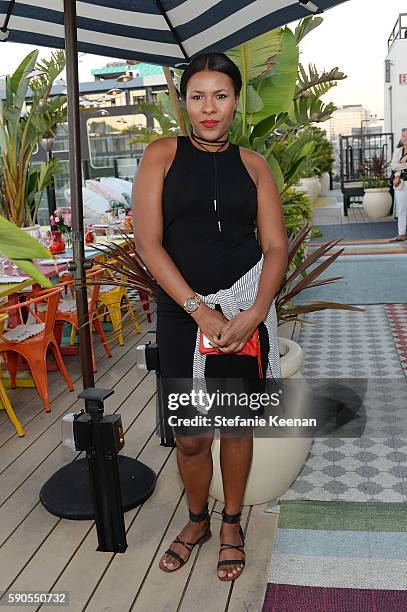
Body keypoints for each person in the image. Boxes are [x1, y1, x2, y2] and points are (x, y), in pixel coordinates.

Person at [132, 52, 288, 581]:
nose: (208, 108)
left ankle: (230, 522)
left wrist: (256, 311)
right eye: (197, 96)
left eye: (220, 96)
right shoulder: (160, 156)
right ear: (184, 103)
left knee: (236, 427)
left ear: (236, 102)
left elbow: (276, 247)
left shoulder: (254, 165)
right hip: (183, 317)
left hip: (244, 317)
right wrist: (198, 309)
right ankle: (196, 518)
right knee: (192, 435)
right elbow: (148, 244)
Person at [389, 128, 407, 242]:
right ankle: (401, 234)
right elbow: (393, 166)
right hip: (401, 182)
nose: (405, 139)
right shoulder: (398, 151)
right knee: (401, 209)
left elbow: (397, 165)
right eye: (403, 136)